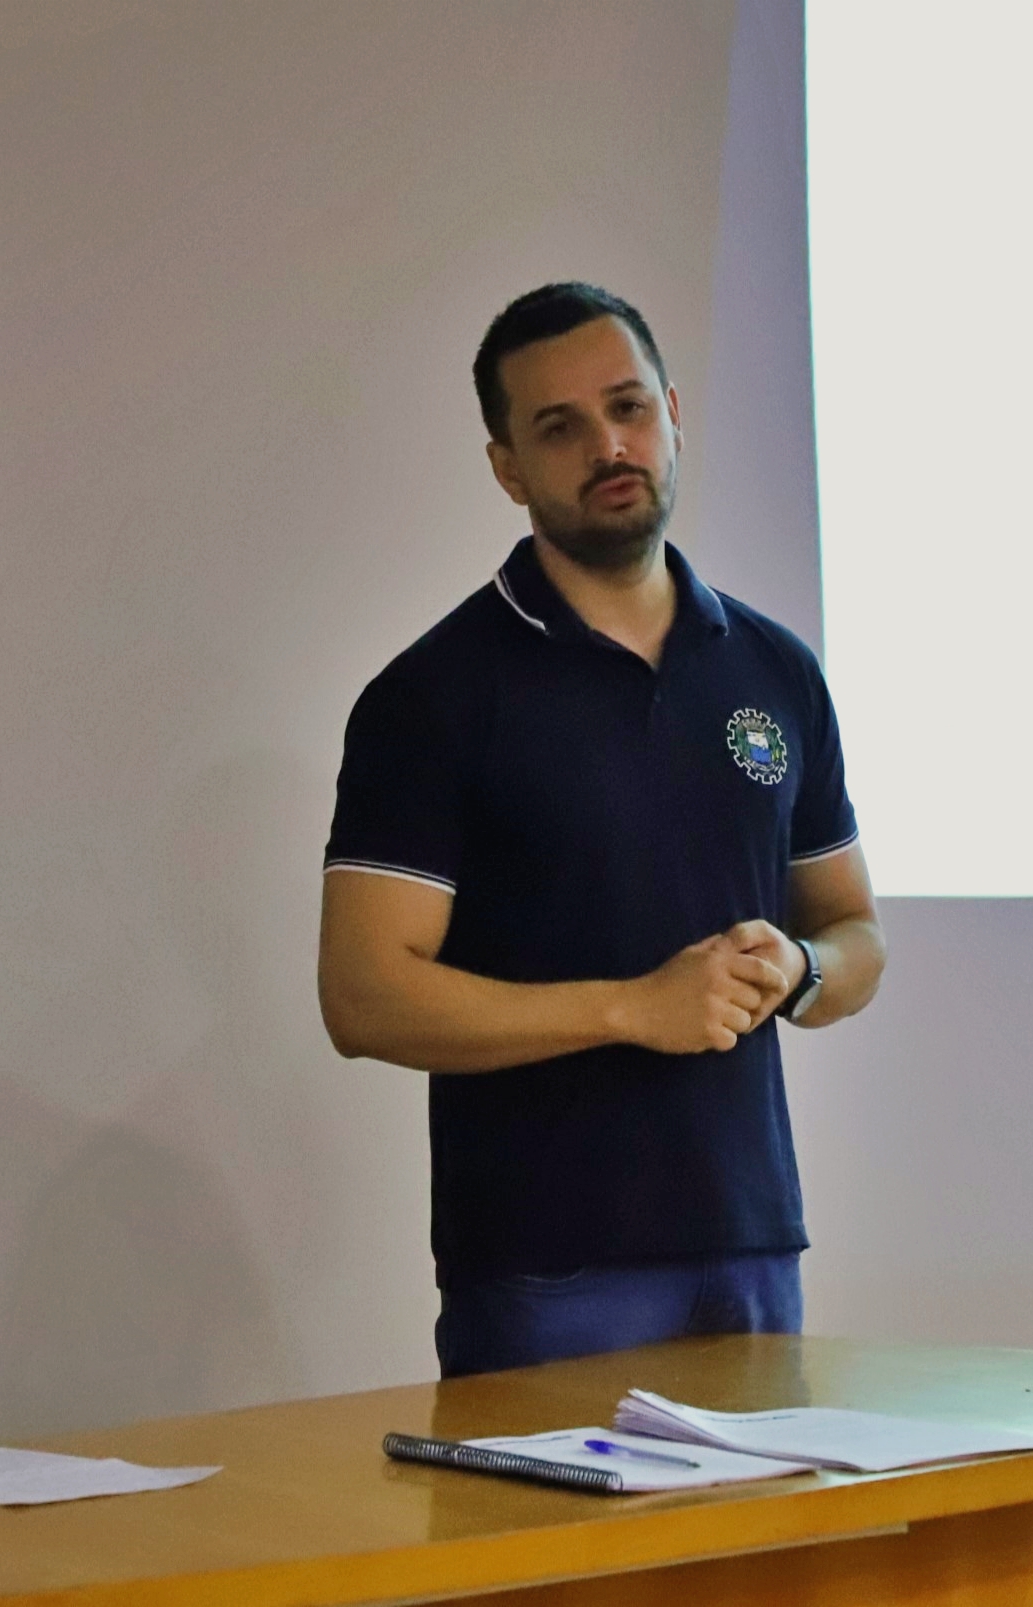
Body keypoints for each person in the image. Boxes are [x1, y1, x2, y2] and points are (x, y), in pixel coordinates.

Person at [317, 282, 885, 1378]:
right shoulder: (433, 695)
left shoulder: (773, 669)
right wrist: (632, 1007)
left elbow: (854, 931)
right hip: (545, 1262)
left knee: (773, 1506)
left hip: (750, 1239)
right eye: (558, 427)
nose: (607, 446)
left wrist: (800, 967)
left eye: (626, 408)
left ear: (671, 413)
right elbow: (361, 993)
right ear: (507, 468)